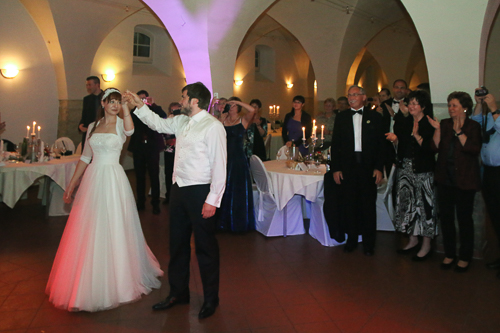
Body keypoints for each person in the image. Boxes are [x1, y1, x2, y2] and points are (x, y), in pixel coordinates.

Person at [46, 88, 163, 312]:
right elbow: (85, 158)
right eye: (111, 102)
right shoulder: (92, 126)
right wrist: (71, 185)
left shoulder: (122, 124)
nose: (115, 105)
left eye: (118, 102)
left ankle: (119, 276)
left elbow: (129, 130)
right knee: (89, 227)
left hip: (113, 178)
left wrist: (127, 106)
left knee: (115, 225)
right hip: (93, 179)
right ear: (103, 103)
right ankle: (88, 275)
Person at [127, 82, 226, 319]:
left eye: (183, 97)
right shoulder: (181, 121)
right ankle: (178, 293)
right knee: (177, 245)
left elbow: (220, 167)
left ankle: (211, 299)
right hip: (179, 190)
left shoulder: (213, 127)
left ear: (195, 101)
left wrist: (212, 200)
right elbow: (158, 124)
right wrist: (139, 106)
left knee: (205, 247)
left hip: (201, 192)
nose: (180, 101)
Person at [428, 91, 481, 272]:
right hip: (445, 179)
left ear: (465, 108)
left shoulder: (473, 126)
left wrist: (459, 132)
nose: (451, 109)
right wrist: (437, 129)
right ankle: (449, 254)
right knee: (447, 219)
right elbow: (434, 147)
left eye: (454, 105)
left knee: (464, 220)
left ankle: (465, 256)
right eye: (449, 105)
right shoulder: (444, 124)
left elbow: (473, 149)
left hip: (465, 180)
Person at [330, 85, 385, 255]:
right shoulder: (342, 117)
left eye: (355, 94)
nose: (351, 97)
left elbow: (381, 145)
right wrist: (336, 168)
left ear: (364, 97)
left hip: (368, 167)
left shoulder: (375, 117)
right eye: (349, 95)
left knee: (368, 206)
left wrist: (378, 167)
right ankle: (351, 240)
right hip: (348, 167)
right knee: (350, 205)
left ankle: (369, 244)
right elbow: (336, 144)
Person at [385, 90, 437, 261]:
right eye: (410, 103)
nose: (412, 106)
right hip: (405, 169)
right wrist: (396, 140)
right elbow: (402, 143)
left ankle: (426, 244)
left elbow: (431, 149)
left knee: (425, 207)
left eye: (415, 104)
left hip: (423, 170)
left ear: (422, 106)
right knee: (406, 206)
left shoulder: (429, 123)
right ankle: (413, 240)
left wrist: (417, 136)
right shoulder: (406, 122)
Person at [472, 88, 500, 277]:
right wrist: (479, 104)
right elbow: (474, 123)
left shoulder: (496, 115)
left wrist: (494, 108)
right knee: (495, 216)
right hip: (488, 172)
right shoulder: (490, 116)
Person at [218, 96, 256, 232]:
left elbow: (252, 110)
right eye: (229, 105)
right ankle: (222, 222)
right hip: (224, 158)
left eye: (233, 105)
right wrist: (221, 114)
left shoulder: (243, 120)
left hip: (238, 159)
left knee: (238, 190)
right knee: (223, 189)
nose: (231, 107)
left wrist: (238, 101)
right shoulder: (222, 120)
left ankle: (238, 223)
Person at [127, 90, 166, 214]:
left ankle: (155, 203)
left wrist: (152, 105)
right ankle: (140, 202)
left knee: (154, 175)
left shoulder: (153, 110)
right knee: (139, 176)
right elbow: (130, 122)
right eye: (140, 98)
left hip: (152, 147)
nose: (143, 101)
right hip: (138, 147)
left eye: (145, 98)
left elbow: (163, 116)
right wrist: (137, 106)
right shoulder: (134, 111)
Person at [163, 102, 181, 205]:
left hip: (181, 153)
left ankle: (178, 198)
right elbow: (167, 138)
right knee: (169, 174)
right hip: (169, 152)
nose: (175, 113)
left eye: (177, 110)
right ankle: (169, 196)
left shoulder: (185, 121)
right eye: (173, 110)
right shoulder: (167, 121)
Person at [78, 76, 103, 150]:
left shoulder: (106, 97)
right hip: (88, 133)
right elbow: (84, 115)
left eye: (90, 85)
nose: (88, 87)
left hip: (101, 132)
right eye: (87, 85)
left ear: (97, 85)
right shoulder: (87, 99)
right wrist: (80, 126)